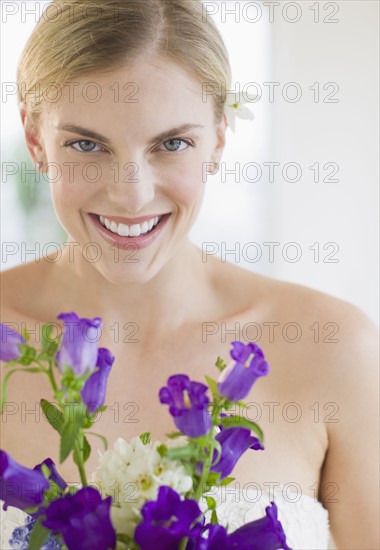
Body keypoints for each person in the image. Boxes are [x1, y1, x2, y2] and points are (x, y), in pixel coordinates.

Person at [0, 0, 378, 548]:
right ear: (36, 141)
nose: (131, 193)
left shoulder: (337, 350)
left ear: (219, 139)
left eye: (171, 143)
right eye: (86, 144)